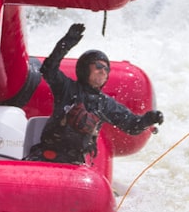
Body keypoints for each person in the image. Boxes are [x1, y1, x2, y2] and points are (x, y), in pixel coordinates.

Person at [26, 23, 163, 164]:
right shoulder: (66, 87)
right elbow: (49, 69)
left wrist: (149, 119)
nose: (103, 71)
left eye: (106, 69)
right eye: (98, 66)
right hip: (48, 155)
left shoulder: (105, 104)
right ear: (85, 69)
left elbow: (131, 125)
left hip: (75, 162)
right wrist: (66, 43)